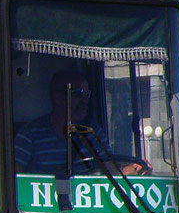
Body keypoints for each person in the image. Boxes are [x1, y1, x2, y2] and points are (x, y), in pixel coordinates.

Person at [14, 70, 147, 176]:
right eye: (78, 94)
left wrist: (133, 169)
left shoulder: (92, 131)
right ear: (56, 97)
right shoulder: (30, 134)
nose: (85, 100)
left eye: (87, 94)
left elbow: (111, 170)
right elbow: (14, 179)